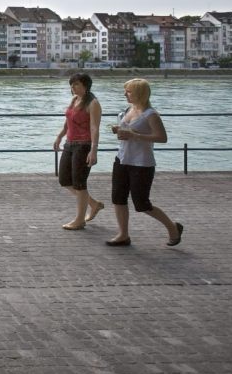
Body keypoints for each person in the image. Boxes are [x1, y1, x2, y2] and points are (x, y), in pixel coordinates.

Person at [106, 78, 182, 247]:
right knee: (118, 198)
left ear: (140, 93)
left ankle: (173, 227)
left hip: (142, 163)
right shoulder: (128, 109)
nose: (125, 94)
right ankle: (123, 234)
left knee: (142, 203)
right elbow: (127, 130)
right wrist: (118, 130)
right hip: (122, 159)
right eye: (126, 91)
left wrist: (135, 136)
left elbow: (162, 138)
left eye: (129, 91)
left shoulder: (151, 114)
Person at [53, 72, 104, 230]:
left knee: (80, 184)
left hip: (84, 145)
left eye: (76, 84)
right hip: (70, 144)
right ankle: (94, 204)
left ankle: (80, 220)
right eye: (72, 84)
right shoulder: (74, 100)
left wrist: (93, 150)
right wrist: (59, 137)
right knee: (64, 180)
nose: (73, 87)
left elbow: (95, 127)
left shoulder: (93, 103)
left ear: (86, 86)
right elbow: (68, 122)